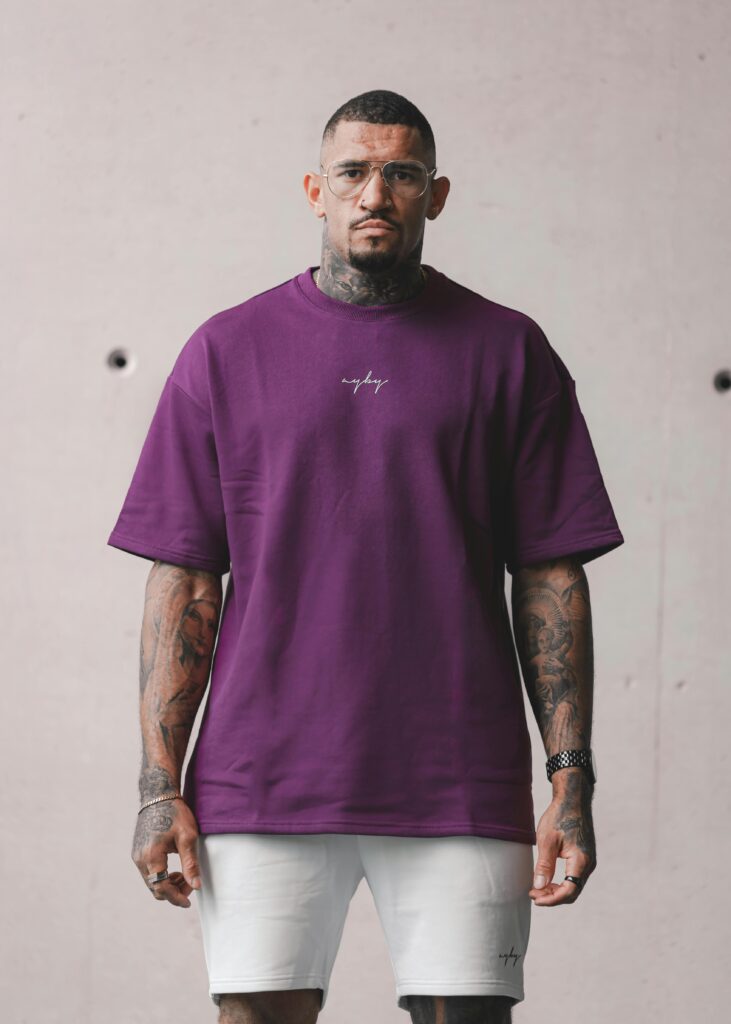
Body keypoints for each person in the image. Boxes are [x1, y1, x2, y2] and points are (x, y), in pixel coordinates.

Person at [107, 89, 624, 1024]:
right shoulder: (225, 352)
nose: (373, 193)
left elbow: (550, 575)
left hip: (458, 777)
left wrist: (570, 780)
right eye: (352, 172)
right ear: (315, 188)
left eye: (401, 173)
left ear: (437, 195)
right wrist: (156, 788)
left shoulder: (510, 352)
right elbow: (184, 580)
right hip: (261, 776)